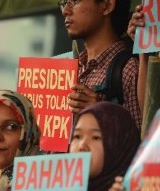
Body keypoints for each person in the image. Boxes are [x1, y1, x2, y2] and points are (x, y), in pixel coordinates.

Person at [61, 0, 142, 129]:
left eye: (74, 2)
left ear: (106, 6)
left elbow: (143, 140)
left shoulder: (129, 69)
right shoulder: (73, 71)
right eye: (64, 3)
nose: (65, 11)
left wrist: (103, 115)